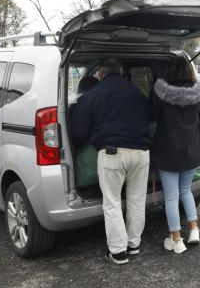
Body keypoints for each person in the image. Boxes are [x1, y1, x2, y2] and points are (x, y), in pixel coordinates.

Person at [71, 58, 151, 265]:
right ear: (122, 72)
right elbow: (149, 117)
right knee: (136, 200)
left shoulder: (92, 95)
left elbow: (79, 132)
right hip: (142, 153)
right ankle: (134, 245)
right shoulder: (136, 93)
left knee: (113, 203)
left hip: (112, 153)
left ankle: (118, 252)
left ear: (100, 74)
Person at [151, 57, 200, 254]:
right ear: (189, 71)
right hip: (192, 149)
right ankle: (194, 230)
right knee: (186, 190)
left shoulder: (161, 93)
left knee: (171, 196)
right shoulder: (198, 93)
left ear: (169, 71)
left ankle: (176, 240)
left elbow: (150, 113)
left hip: (168, 150)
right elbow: (199, 118)